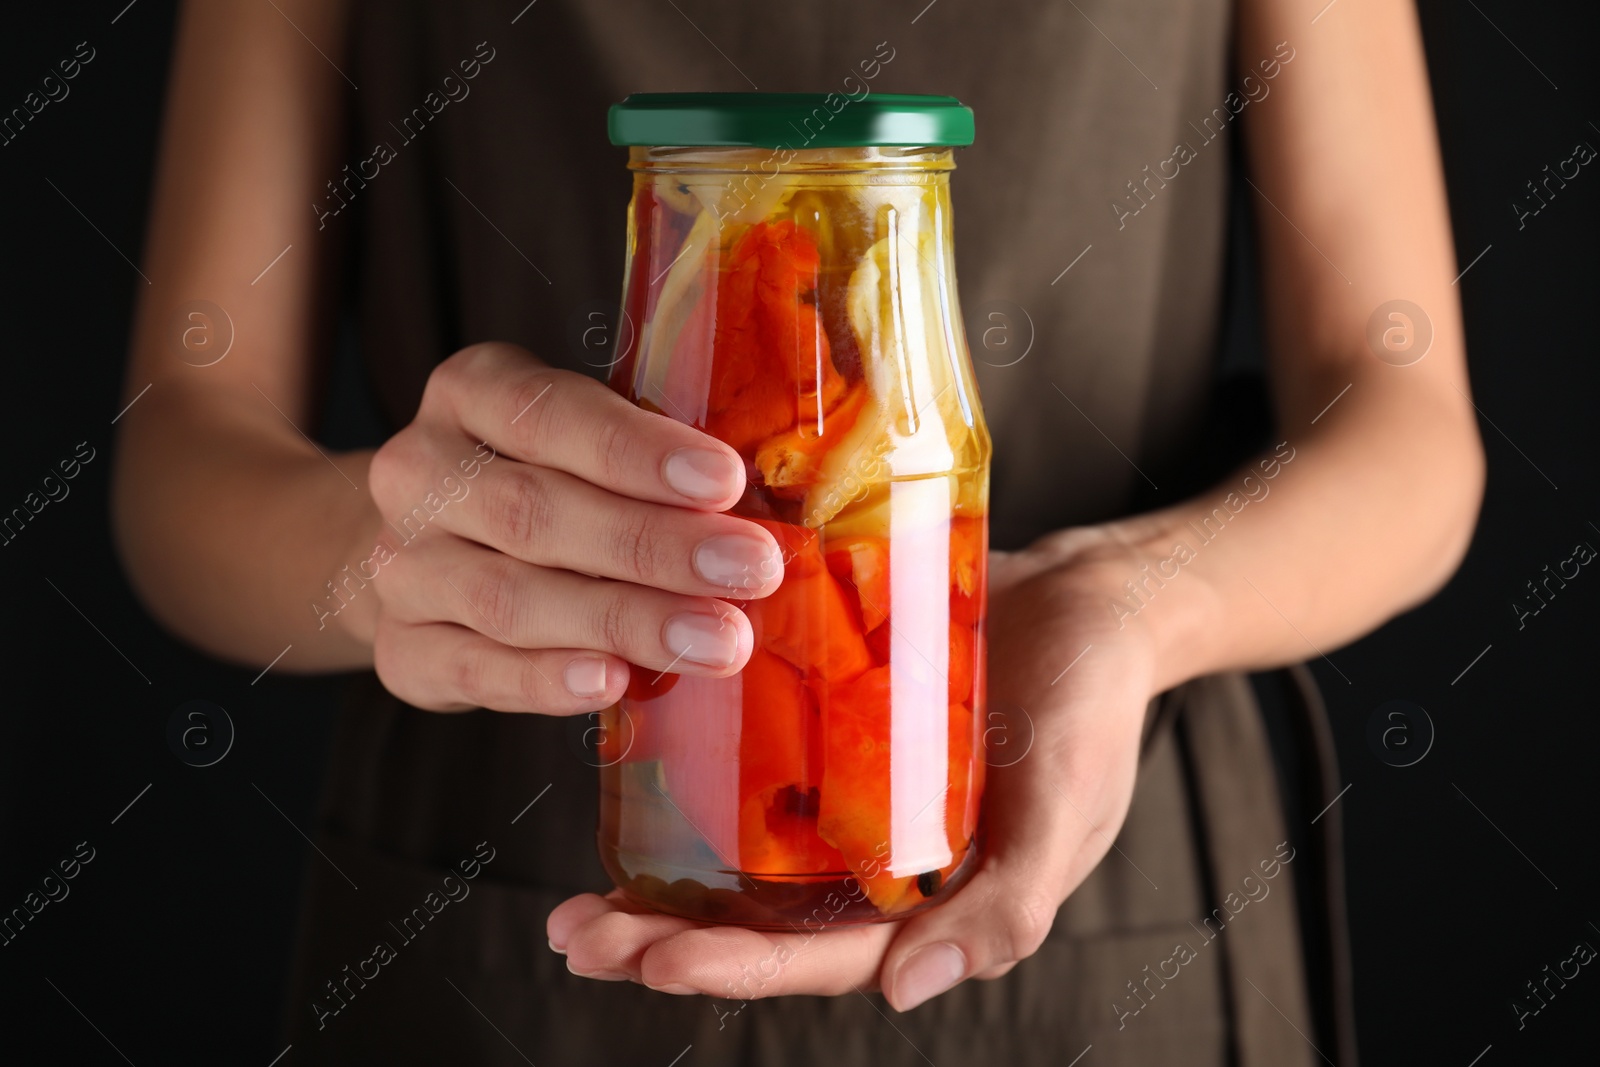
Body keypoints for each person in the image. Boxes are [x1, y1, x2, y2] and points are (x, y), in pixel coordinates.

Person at [114, 0, 1483, 1062]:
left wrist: (1134, 604)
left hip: (1114, 900)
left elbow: (1411, 429)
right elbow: (184, 454)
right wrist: (378, 562)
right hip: (489, 920)